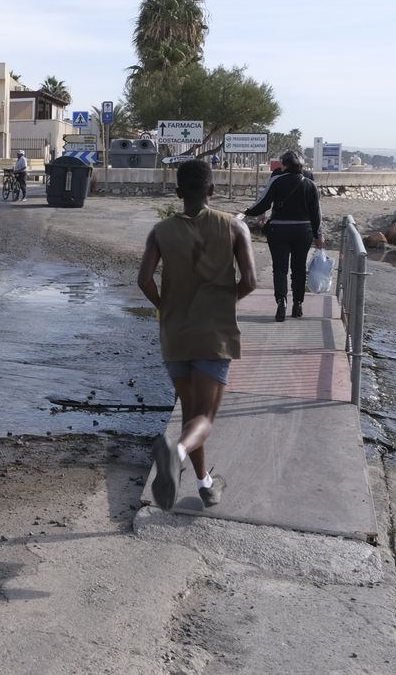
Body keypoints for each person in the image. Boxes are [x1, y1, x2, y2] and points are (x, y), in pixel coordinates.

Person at [136, 159, 258, 510]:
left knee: (192, 415)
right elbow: (250, 281)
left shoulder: (160, 231)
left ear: (177, 193)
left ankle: (205, 484)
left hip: (175, 333)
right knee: (204, 419)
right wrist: (222, 301)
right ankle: (175, 452)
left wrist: (164, 306)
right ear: (212, 190)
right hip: (213, 335)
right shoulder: (234, 227)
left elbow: (143, 280)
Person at [244, 148, 323, 321]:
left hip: (279, 230)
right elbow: (316, 213)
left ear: (285, 164)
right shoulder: (310, 184)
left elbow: (263, 203)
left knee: (280, 269)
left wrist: (248, 212)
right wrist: (319, 235)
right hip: (303, 231)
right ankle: (298, 304)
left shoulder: (277, 180)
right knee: (299, 268)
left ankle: (281, 301)